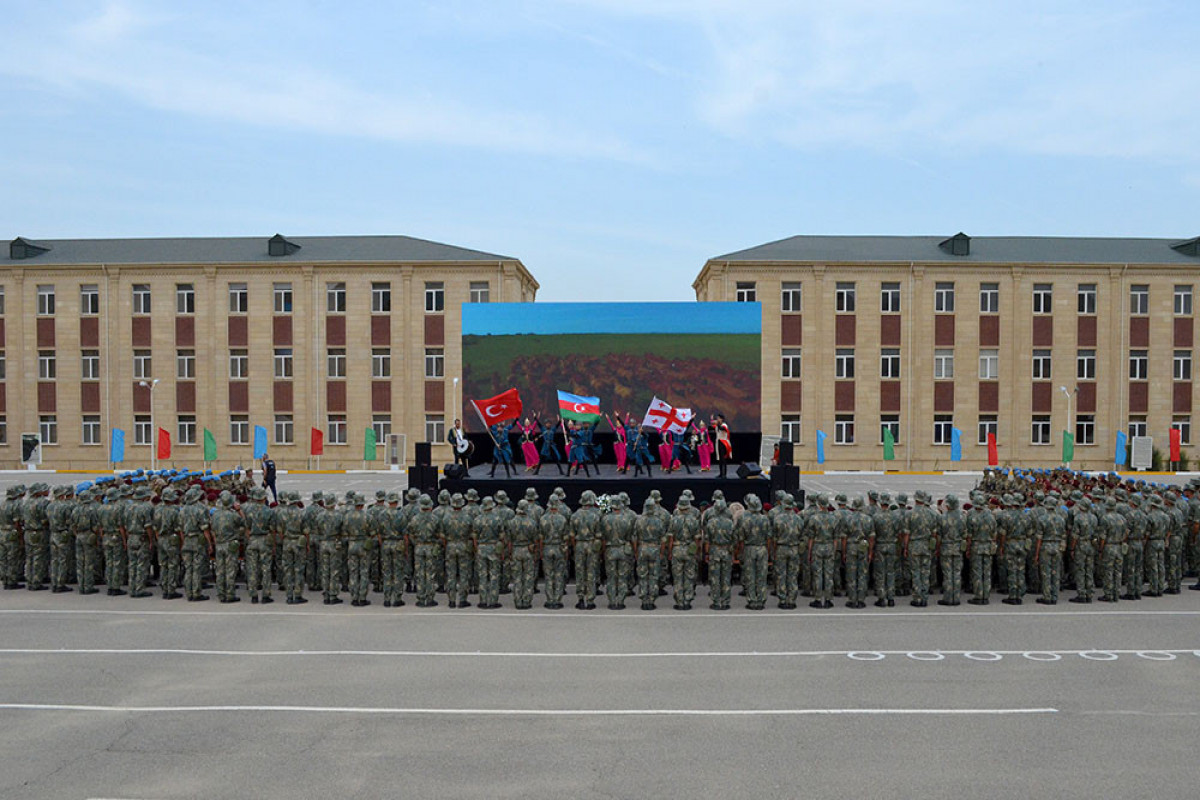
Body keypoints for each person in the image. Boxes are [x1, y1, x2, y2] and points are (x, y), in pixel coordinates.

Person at [710, 413, 731, 478]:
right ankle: (721, 473)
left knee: (723, 458)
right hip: (718, 442)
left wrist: (717, 423)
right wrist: (712, 420)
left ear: (722, 419)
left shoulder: (724, 425)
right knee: (720, 459)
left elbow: (722, 428)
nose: (717, 419)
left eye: (718, 418)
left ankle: (724, 474)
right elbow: (712, 427)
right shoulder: (717, 426)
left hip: (723, 442)